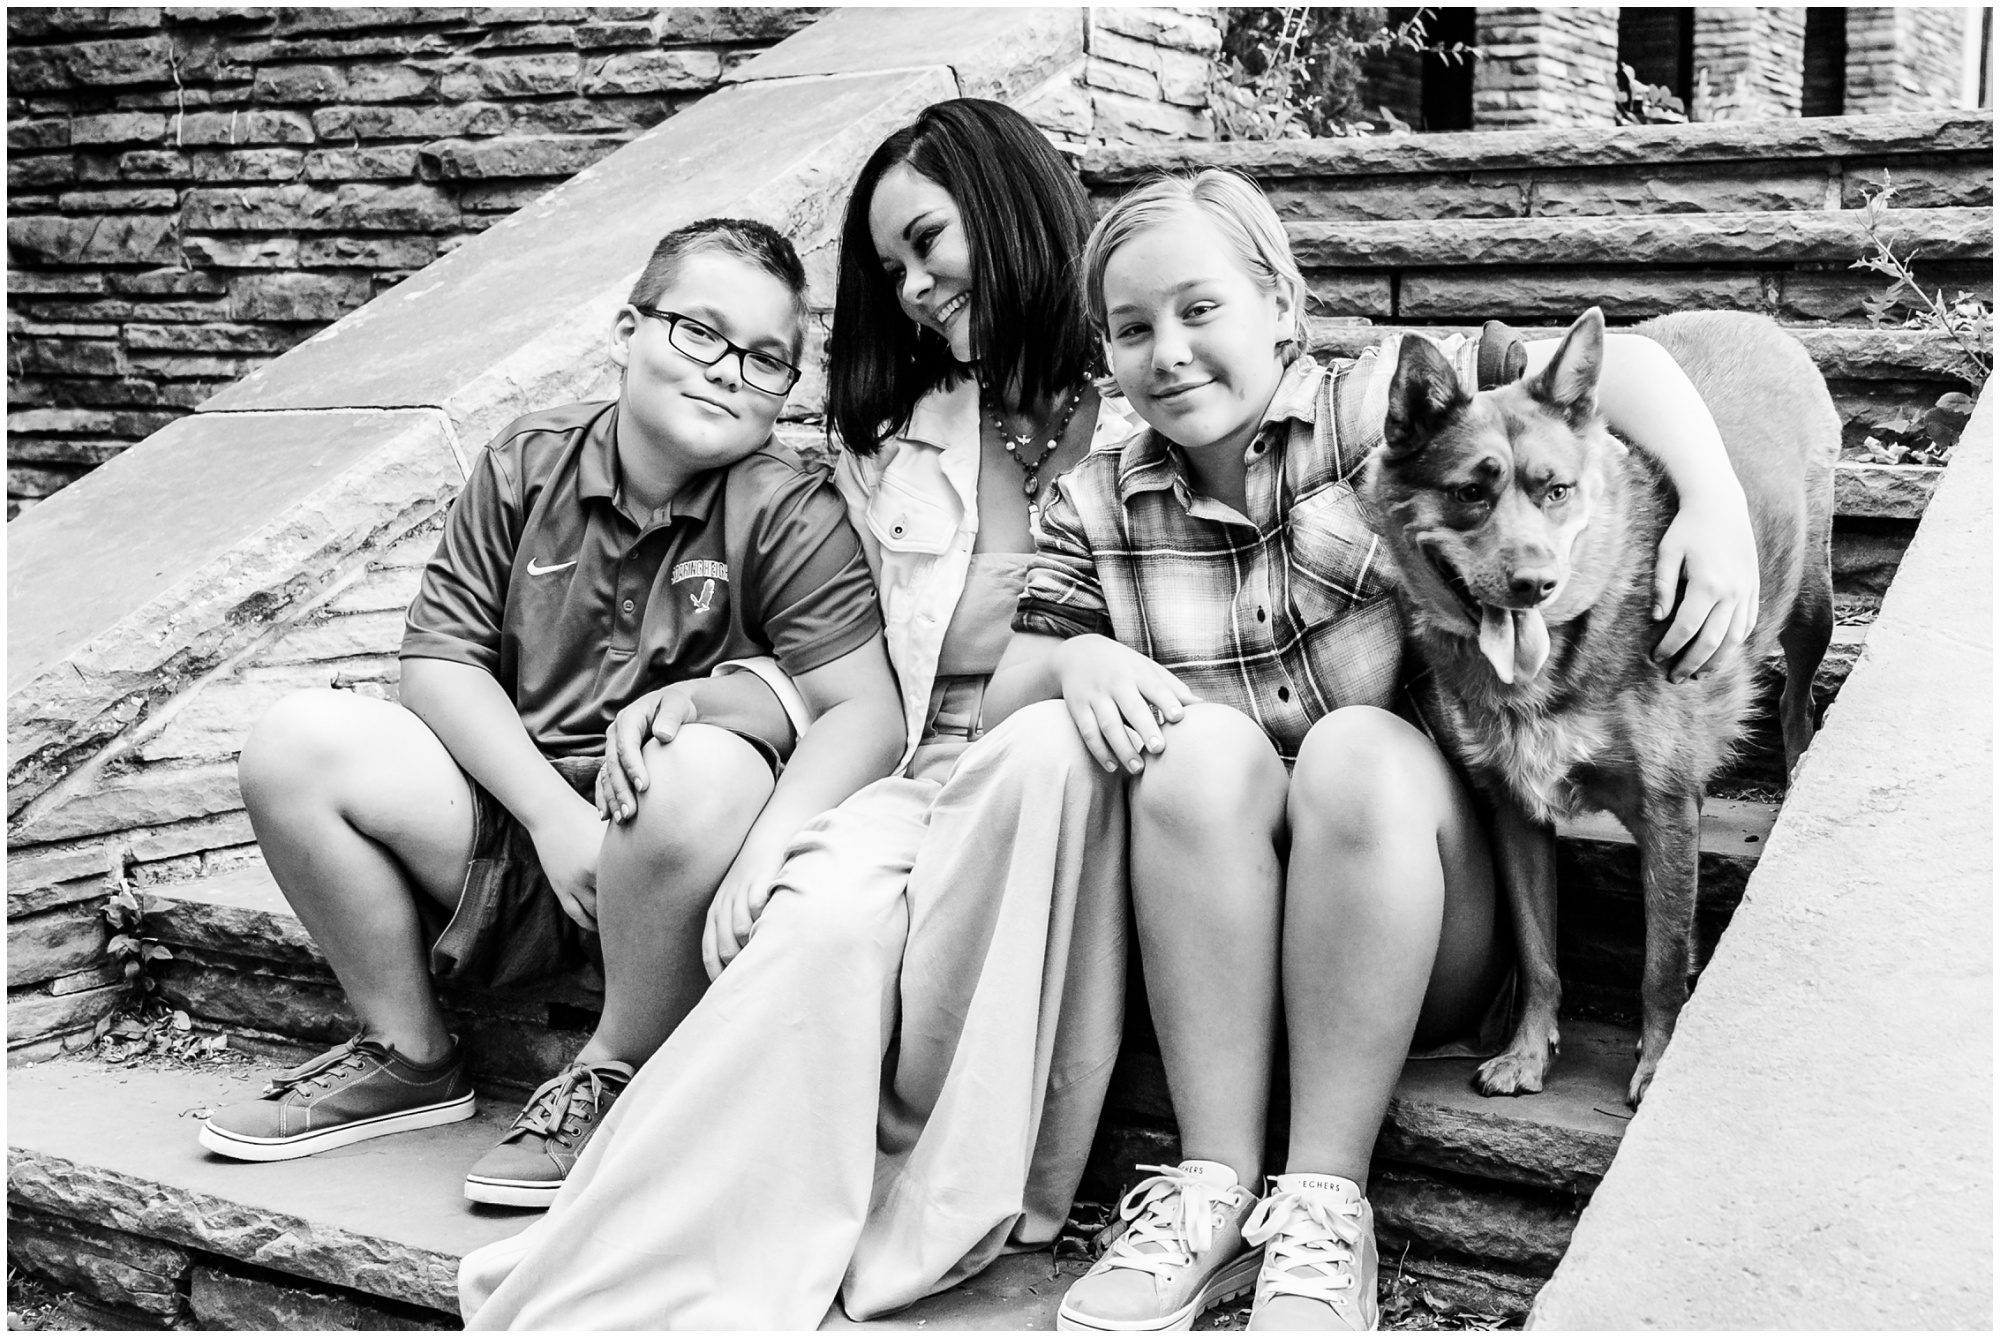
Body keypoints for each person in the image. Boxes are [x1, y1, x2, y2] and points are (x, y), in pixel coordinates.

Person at [973, 171, 1763, 1332]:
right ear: (1105, 352)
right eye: (1133, 328)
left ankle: (1322, 1204)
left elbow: (1622, 368)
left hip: (1411, 905)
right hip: (1220, 931)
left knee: (1353, 746)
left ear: (1281, 308)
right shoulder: (1095, 501)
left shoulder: (1379, 412)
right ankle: (1210, 1188)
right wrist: (1074, 663)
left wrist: (1713, 507)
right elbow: (999, 690)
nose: (1171, 351)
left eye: (1201, 310)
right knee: (1193, 753)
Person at [459, 98, 1143, 1330]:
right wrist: (727, 702)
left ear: (1009, 206)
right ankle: (672, 1258)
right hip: (915, 779)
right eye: (891, 269)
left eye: (931, 242)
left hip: (1073, 780)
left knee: (1018, 767)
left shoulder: (1157, 397)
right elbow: (850, 654)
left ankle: (914, 1196)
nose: (918, 286)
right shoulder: (901, 439)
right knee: (815, 918)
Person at [200, 218, 904, 1211]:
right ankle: (410, 1055)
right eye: (697, 333)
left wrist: (749, 822)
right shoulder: (529, 463)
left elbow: (864, 714)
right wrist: (549, 815)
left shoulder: (790, 508)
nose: (726, 373)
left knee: (699, 765)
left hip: (672, 867)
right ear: (627, 327)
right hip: (517, 846)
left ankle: (616, 1071)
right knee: (295, 743)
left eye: (764, 358)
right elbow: (440, 663)